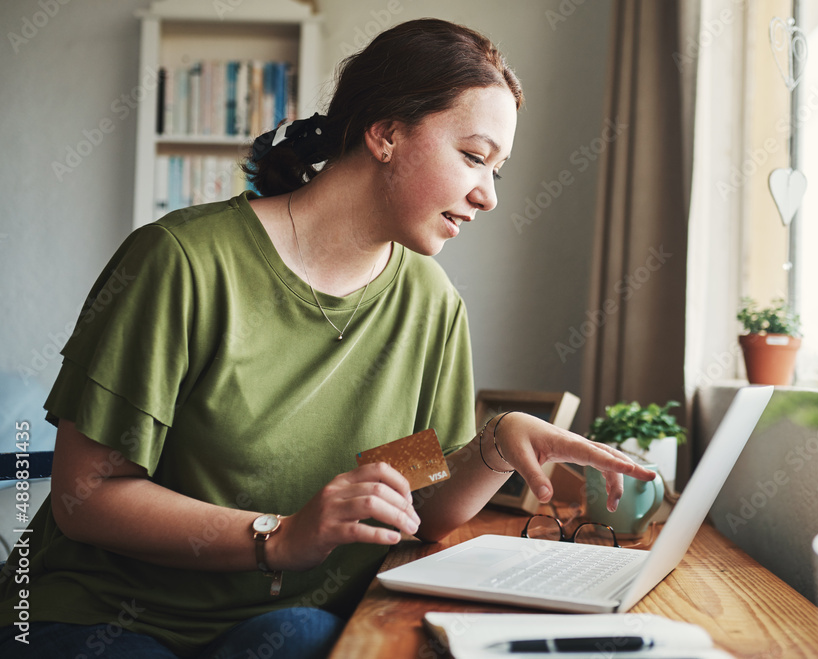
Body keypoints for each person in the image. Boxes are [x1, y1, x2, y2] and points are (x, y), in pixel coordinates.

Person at [0, 17, 654, 658]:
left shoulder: (430, 305)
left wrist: (495, 444)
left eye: (497, 171)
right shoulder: (181, 261)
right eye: (474, 156)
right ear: (386, 133)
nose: (489, 196)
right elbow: (84, 498)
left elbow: (415, 507)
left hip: (283, 624)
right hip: (103, 614)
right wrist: (279, 536)